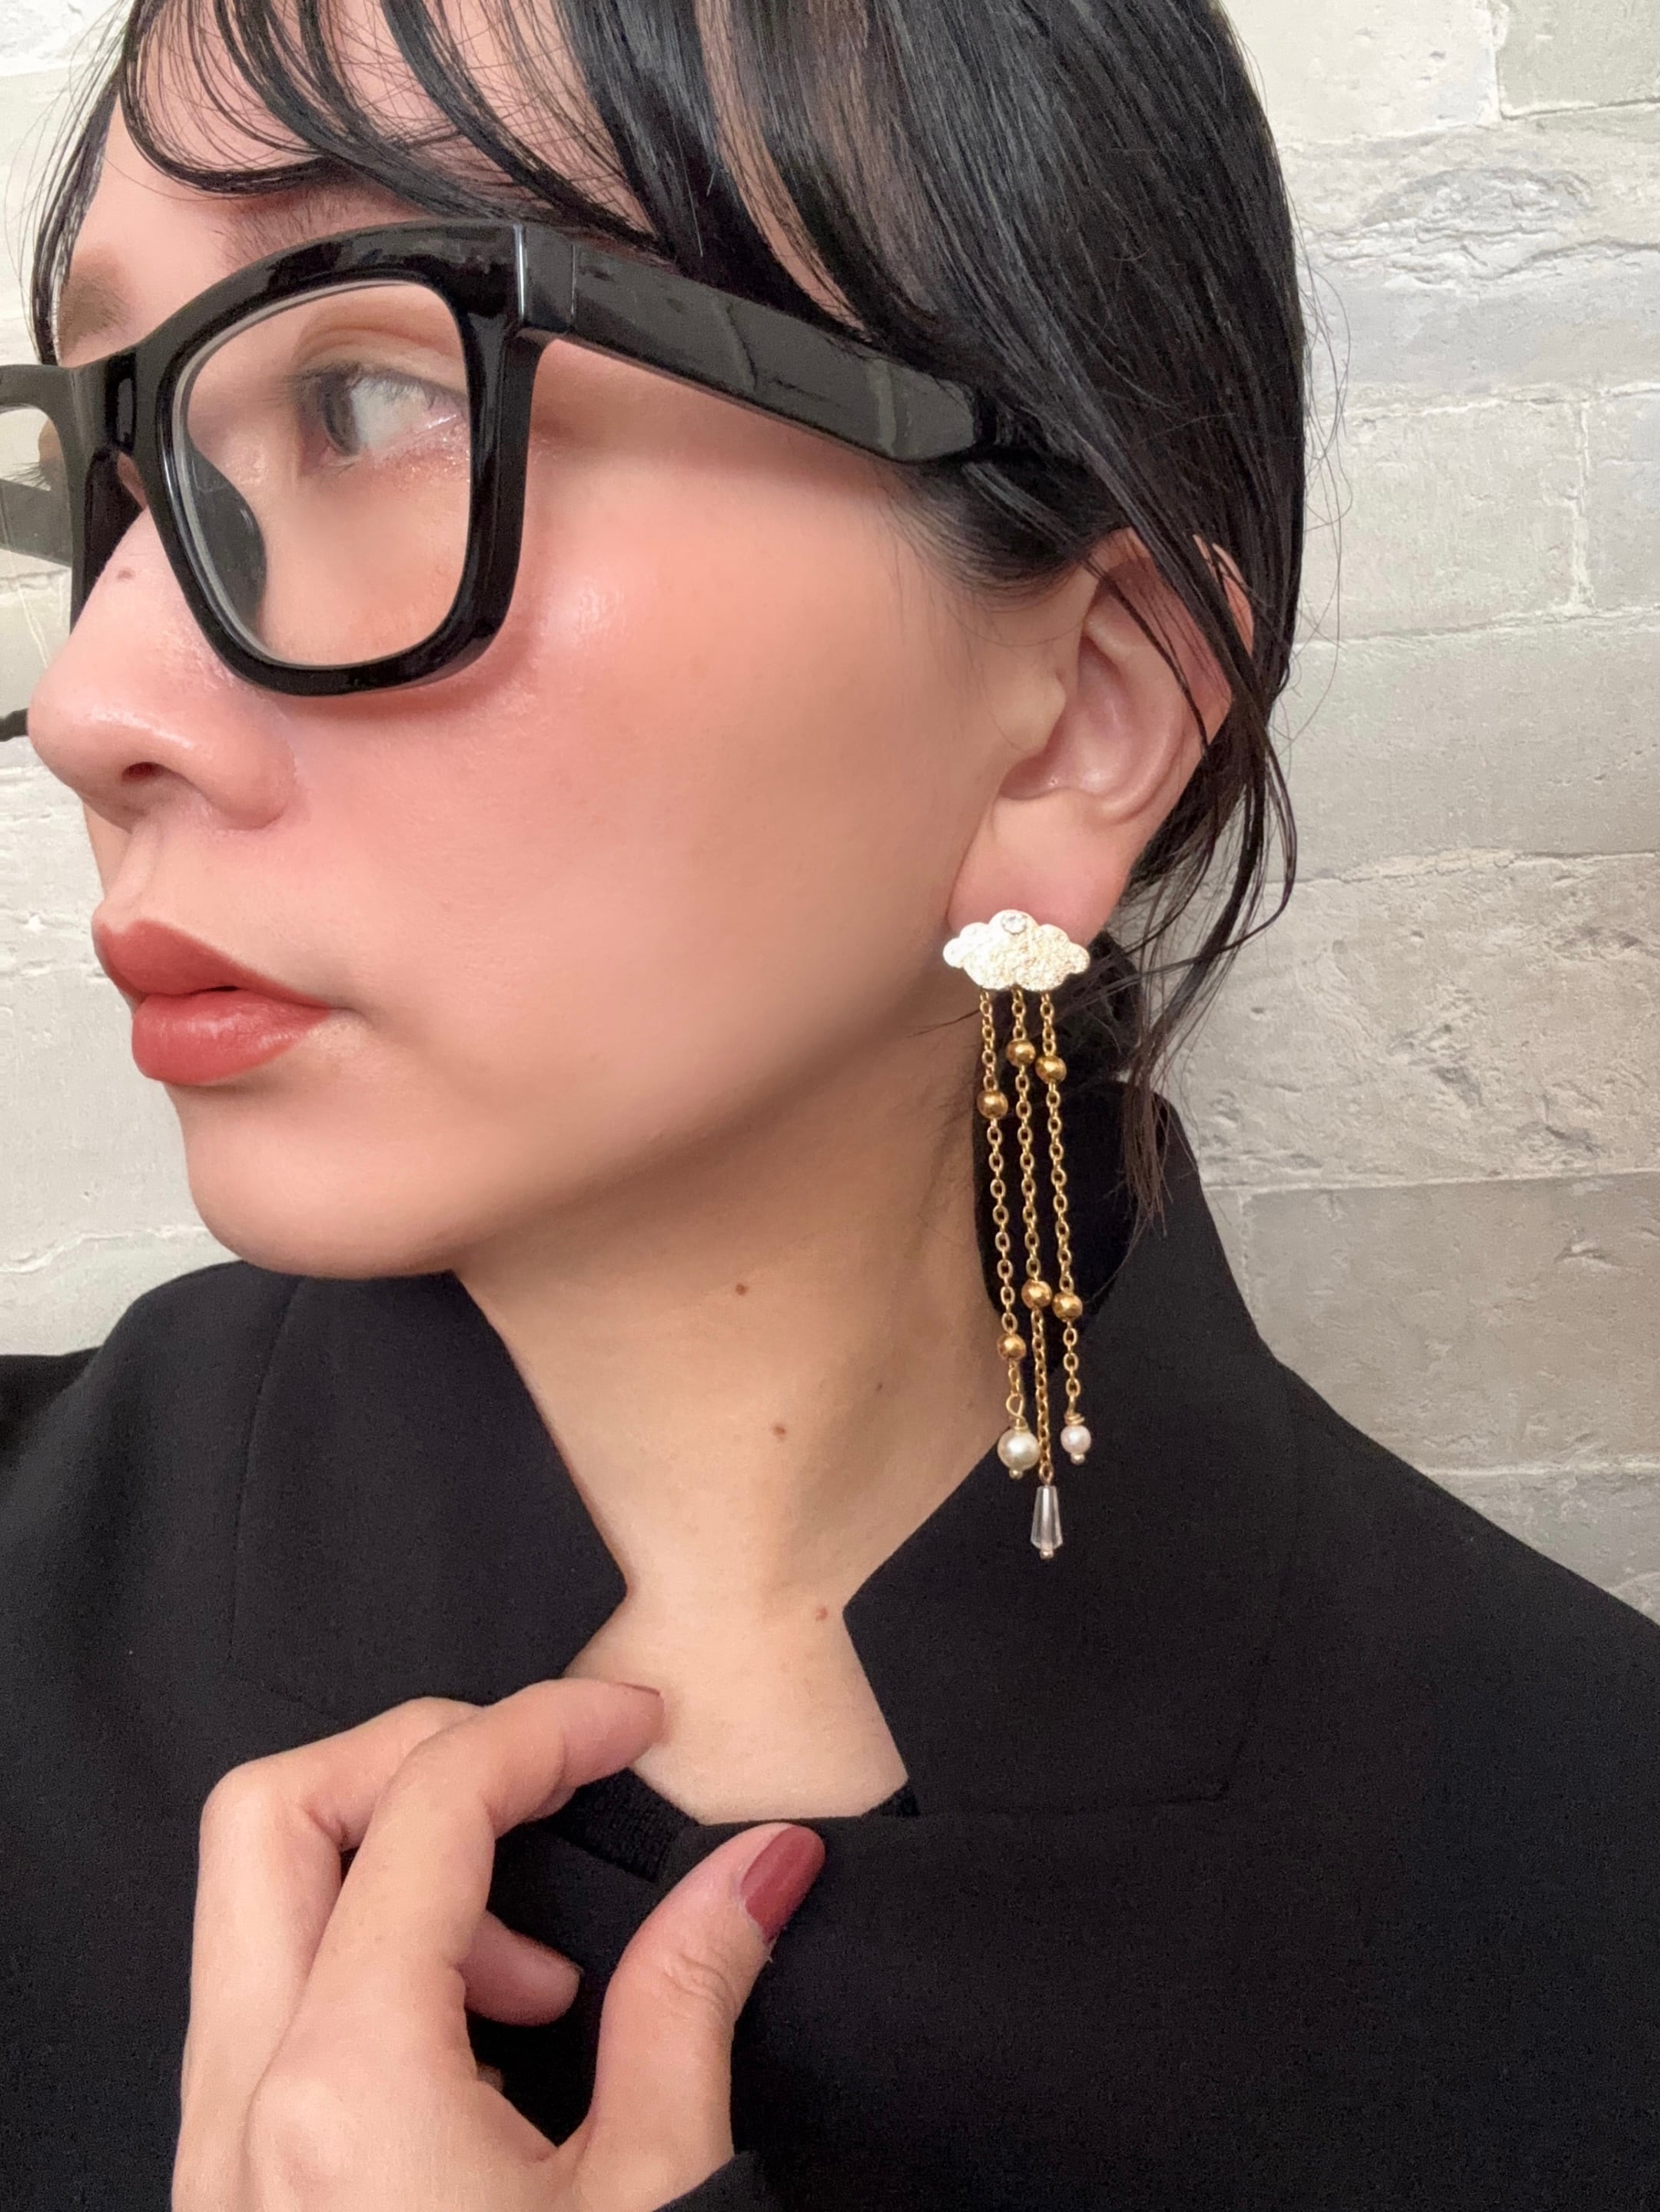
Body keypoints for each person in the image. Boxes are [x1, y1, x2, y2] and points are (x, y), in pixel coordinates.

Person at [1, 1, 1655, 2207]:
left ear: (1076, 715)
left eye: (375, 395)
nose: (95, 701)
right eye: (122, 467)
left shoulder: (1582, 1919)